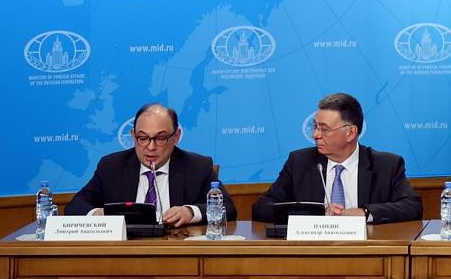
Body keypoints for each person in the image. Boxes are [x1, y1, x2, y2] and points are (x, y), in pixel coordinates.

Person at [250, 92, 421, 223]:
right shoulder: (299, 162)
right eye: (315, 127)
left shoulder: (386, 165)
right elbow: (261, 208)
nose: (316, 134)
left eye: (324, 129)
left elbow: (412, 206)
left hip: (367, 251)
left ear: (350, 133)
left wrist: (364, 212)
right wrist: (314, 215)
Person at [64, 103, 228, 227]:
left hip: (176, 250)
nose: (150, 147)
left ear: (176, 136)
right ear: (133, 136)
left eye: (160, 138)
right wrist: (97, 214)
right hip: (124, 252)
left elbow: (228, 207)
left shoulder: (197, 167)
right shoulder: (111, 166)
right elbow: (75, 206)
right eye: (142, 138)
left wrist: (190, 212)